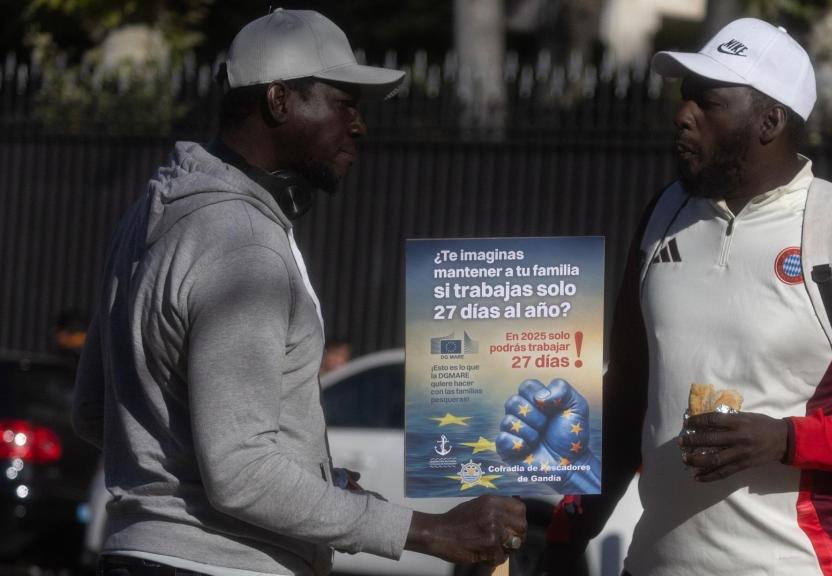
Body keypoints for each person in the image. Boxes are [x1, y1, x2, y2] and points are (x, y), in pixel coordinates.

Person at [72, 9, 525, 576]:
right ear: (279, 101)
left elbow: (95, 410)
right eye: (344, 103)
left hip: (141, 555)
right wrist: (429, 531)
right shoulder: (243, 245)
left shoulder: (149, 219)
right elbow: (240, 473)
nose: (359, 126)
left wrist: (307, 484)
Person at [544, 18, 832, 576]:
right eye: (685, 99)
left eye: (708, 102)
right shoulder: (662, 217)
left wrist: (787, 440)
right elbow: (624, 402)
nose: (683, 116)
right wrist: (564, 537)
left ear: (770, 121)